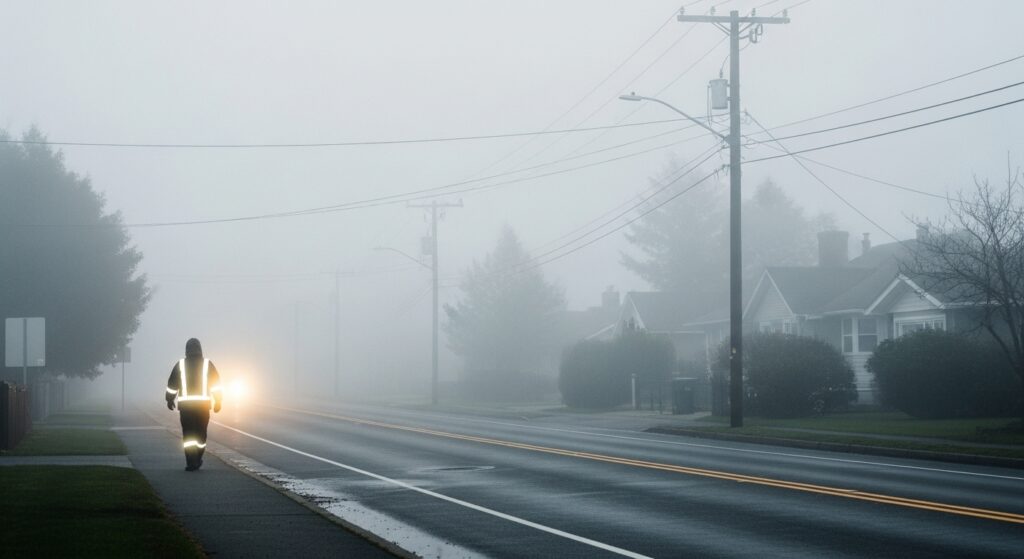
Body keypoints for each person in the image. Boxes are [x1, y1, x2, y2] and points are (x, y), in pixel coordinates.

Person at [165, 338, 223, 471]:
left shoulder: (180, 365)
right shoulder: (208, 364)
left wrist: (169, 399)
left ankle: (191, 461)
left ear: (186, 350)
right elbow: (216, 385)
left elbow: (172, 385)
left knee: (189, 435)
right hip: (203, 407)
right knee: (201, 434)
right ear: (200, 349)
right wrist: (218, 401)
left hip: (186, 408)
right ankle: (197, 458)